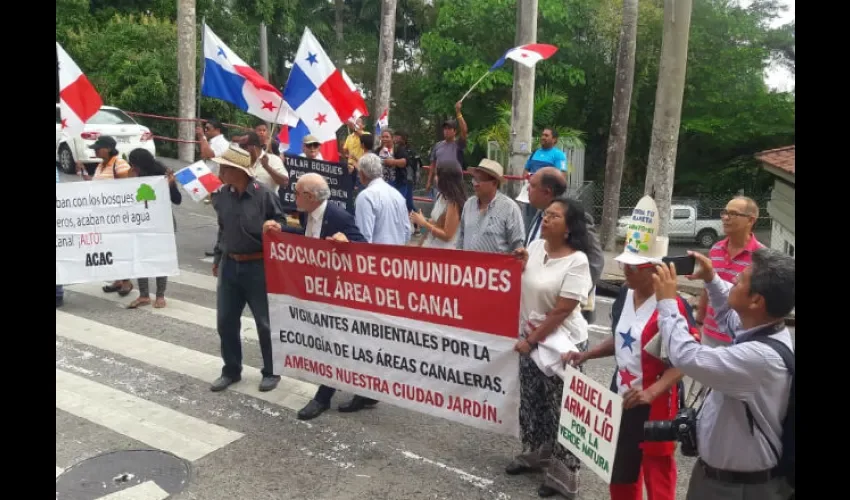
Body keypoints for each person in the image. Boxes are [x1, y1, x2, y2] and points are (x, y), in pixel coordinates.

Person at [563, 206, 699, 500]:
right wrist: (586, 355)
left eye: (632, 267)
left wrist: (652, 392)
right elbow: (621, 339)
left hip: (657, 403)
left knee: (657, 474)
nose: (624, 271)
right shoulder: (624, 294)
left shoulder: (673, 305)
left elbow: (687, 359)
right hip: (623, 397)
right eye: (625, 264)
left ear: (654, 270)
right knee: (621, 472)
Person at [654, 249, 795, 500]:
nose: (732, 283)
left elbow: (686, 356)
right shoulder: (764, 329)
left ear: (756, 301)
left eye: (740, 281)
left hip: (738, 489)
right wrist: (711, 278)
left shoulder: (759, 358)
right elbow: (727, 316)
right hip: (720, 479)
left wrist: (668, 302)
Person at [263, 173, 367, 421]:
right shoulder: (306, 213)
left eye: (297, 192)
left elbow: (364, 248)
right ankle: (367, 391)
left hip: (339, 293)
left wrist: (347, 243)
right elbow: (308, 238)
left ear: (309, 197)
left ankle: (322, 398)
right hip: (316, 290)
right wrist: (281, 230)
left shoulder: (339, 217)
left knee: (332, 344)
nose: (293, 196)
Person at [509, 198, 593, 499]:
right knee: (534, 403)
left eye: (554, 217)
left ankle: (563, 475)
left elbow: (560, 311)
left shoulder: (577, 261)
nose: (546, 219)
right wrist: (519, 260)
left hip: (562, 345)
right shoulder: (534, 247)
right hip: (531, 337)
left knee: (561, 410)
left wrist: (531, 341)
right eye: (545, 215)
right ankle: (537, 455)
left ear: (568, 228)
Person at [208, 145, 285, 394]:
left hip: (258, 265)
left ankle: (271, 370)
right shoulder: (221, 196)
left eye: (224, 167)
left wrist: (275, 225)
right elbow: (222, 228)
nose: (220, 171)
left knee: (265, 323)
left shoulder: (264, 195)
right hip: (230, 265)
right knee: (226, 321)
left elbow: (282, 221)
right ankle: (231, 370)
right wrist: (218, 257)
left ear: (238, 171)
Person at [523, 167, 605, 324]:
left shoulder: (574, 218)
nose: (528, 189)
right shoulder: (538, 214)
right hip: (536, 309)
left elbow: (596, 261)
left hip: (564, 315)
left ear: (546, 192)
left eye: (532, 186)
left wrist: (573, 296)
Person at [695, 196, 765, 347]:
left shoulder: (761, 257)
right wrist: (699, 320)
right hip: (709, 331)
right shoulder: (715, 249)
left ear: (750, 220)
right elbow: (708, 288)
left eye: (733, 214)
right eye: (725, 212)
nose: (725, 218)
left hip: (739, 336)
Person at [75, 135, 134, 297]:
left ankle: (126, 280)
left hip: (116, 215)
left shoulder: (119, 164)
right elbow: (95, 185)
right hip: (103, 216)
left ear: (107, 148)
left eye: (98, 148)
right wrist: (83, 171)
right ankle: (118, 279)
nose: (95, 150)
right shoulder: (101, 166)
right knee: (110, 248)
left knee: (120, 247)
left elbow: (128, 187)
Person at [125, 149, 182, 309]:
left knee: (160, 258)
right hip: (141, 223)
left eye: (134, 164)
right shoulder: (134, 175)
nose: (132, 167)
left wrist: (170, 185)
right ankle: (143, 295)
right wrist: (130, 180)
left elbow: (177, 200)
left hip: (162, 223)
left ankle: (160, 295)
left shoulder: (162, 175)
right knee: (140, 257)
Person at [456, 159, 525, 254]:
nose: (475, 184)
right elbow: (461, 237)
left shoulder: (510, 208)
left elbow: (517, 245)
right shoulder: (468, 204)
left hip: (496, 268)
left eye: (480, 180)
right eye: (474, 179)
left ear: (494, 183)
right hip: (469, 267)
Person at [354, 153, 411, 246]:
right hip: (397, 255)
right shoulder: (397, 195)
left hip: (376, 257)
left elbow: (364, 236)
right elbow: (407, 232)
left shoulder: (365, 197)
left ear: (362, 174)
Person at [410, 161, 467, 249]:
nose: (435, 178)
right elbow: (437, 223)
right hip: (431, 245)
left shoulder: (454, 203)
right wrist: (422, 219)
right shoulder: (440, 196)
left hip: (444, 252)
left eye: (438, 175)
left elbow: (447, 235)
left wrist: (424, 223)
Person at [425, 101, 468, 195]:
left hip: (455, 183)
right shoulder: (437, 145)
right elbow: (433, 164)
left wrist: (458, 112)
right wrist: (429, 181)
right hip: (439, 184)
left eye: (449, 129)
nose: (446, 131)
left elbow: (464, 130)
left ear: (455, 131)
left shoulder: (458, 144)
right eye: (445, 129)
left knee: (453, 207)